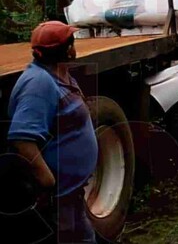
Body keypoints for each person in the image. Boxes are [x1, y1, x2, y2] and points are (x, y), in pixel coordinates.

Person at [7, 21, 98, 243]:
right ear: (67, 49)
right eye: (72, 41)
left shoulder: (58, 73)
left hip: (71, 193)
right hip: (60, 197)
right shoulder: (39, 84)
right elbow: (21, 139)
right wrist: (47, 181)